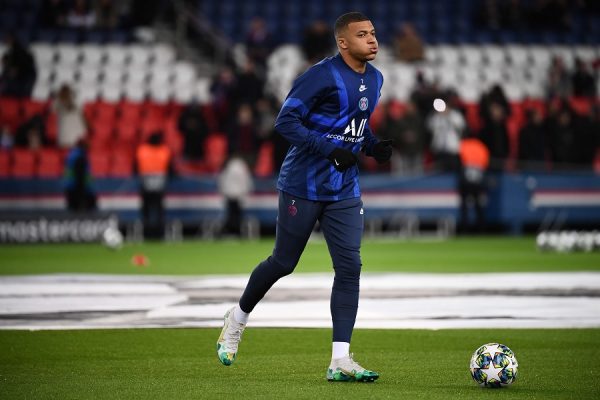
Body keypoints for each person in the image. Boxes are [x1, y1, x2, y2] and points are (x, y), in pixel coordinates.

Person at [216, 12, 392, 382]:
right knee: (283, 262)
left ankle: (340, 360)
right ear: (343, 42)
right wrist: (329, 150)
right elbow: (285, 122)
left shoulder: (375, 78)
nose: (372, 40)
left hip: (344, 188)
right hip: (303, 185)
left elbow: (355, 126)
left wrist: (373, 145)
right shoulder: (320, 76)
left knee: (350, 267)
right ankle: (237, 318)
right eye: (362, 35)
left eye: (373, 33)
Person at [135, 131, 173, 239]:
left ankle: (147, 232)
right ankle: (158, 233)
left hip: (146, 184)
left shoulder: (142, 150)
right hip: (158, 185)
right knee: (158, 210)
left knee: (147, 210)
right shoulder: (164, 151)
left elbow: (135, 167)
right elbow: (170, 168)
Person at [458, 134, 490, 233]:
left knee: (464, 206)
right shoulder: (481, 146)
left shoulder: (463, 145)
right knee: (478, 205)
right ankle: (481, 229)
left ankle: (465, 229)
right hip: (478, 180)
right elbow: (485, 163)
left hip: (466, 180)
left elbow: (459, 160)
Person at [64, 138, 96, 212]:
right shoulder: (80, 157)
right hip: (78, 190)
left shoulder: (72, 154)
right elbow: (80, 176)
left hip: (71, 187)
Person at [53, 84, 88, 149]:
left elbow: (78, 111)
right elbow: (53, 109)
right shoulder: (58, 101)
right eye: (64, 91)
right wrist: (60, 98)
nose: (65, 93)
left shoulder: (75, 101)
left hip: (77, 133)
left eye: (67, 91)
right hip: (65, 134)